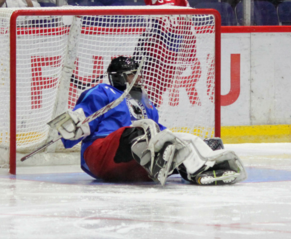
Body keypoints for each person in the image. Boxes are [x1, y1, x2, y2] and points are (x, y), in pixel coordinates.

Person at [53, 56, 246, 185]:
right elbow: (75, 128)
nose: (138, 79)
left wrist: (183, 143)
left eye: (138, 74)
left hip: (131, 168)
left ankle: (203, 171)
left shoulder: (145, 102)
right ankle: (162, 163)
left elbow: (162, 132)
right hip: (101, 155)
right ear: (118, 78)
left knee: (185, 141)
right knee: (141, 130)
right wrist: (71, 128)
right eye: (131, 75)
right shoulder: (103, 92)